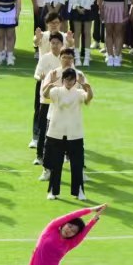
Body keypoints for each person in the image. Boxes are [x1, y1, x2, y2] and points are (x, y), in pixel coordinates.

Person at [41, 68, 92, 200]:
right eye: (67, 79)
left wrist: (87, 87)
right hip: (56, 132)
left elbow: (88, 99)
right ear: (63, 80)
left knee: (77, 164)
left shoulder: (79, 93)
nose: (69, 82)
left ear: (75, 81)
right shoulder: (56, 91)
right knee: (55, 164)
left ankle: (79, 191)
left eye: (72, 80)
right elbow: (45, 95)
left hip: (75, 133)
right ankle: (53, 191)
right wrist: (49, 83)